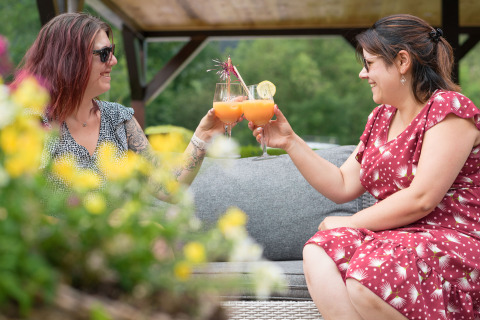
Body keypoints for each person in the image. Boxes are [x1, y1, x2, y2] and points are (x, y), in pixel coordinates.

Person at [250, 14, 480, 319]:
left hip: (449, 240)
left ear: (401, 62)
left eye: (369, 64)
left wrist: (352, 221)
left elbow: (422, 198)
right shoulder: (381, 117)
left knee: (368, 279)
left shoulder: (449, 109)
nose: (362, 74)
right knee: (319, 252)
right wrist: (291, 141)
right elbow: (343, 184)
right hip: (394, 240)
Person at [11, 12, 226, 202]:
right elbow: (20, 211)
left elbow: (166, 187)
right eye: (104, 53)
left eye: (112, 51)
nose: (113, 60)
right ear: (69, 60)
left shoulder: (118, 119)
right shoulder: (33, 123)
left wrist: (203, 136)